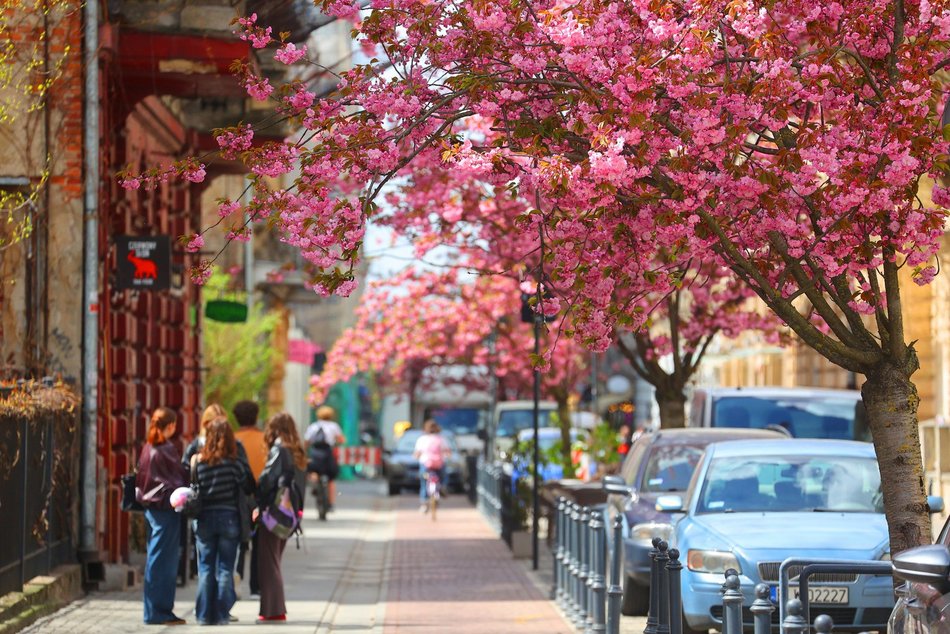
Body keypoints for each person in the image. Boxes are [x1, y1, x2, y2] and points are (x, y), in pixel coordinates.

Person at [191, 418, 254, 625]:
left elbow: (193, 487)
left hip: (204, 519)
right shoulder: (234, 463)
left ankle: (202, 615)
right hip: (229, 518)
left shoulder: (199, 463)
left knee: (206, 567)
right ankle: (221, 614)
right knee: (226, 567)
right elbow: (248, 486)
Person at [136, 407, 188, 626]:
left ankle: (153, 611)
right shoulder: (166, 448)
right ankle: (160, 611)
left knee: (155, 559)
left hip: (150, 508)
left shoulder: (148, 447)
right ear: (170, 426)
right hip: (166, 510)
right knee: (163, 562)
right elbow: (178, 478)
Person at [256, 412, 307, 622]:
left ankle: (273, 610)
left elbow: (267, 479)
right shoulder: (297, 450)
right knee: (275, 559)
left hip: (273, 511)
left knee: (268, 561)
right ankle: (273, 608)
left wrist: (258, 499)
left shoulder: (279, 448)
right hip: (290, 513)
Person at [233, 400, 266, 597]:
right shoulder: (264, 440)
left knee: (238, 541)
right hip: (260, 496)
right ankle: (256, 586)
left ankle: (236, 580)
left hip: (238, 496)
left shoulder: (232, 440)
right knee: (260, 543)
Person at [304, 405, 346, 509]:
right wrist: (336, 442)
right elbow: (341, 440)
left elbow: (306, 441)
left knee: (313, 471)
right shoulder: (334, 426)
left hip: (315, 453)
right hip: (327, 453)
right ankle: (331, 503)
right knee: (331, 479)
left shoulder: (313, 426)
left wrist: (305, 451)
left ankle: (314, 486)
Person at [413, 419, 450, 513]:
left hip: (426, 465)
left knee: (424, 483)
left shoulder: (422, 439)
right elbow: (448, 452)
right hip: (439, 465)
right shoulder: (441, 439)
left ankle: (424, 504)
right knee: (443, 477)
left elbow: (417, 454)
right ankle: (442, 487)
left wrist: (416, 457)